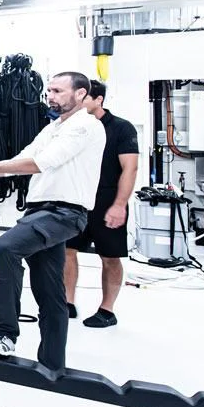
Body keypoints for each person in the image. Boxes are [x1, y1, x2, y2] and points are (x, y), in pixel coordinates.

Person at [0, 71, 106, 371]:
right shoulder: (52, 129)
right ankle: (52, 366)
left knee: (7, 247)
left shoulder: (86, 125)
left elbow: (40, 163)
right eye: (49, 90)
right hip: (40, 212)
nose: (50, 96)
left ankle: (4, 334)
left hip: (64, 213)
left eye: (58, 91)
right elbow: (19, 163)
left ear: (80, 94)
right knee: (51, 294)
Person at [63, 80, 139, 328]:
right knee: (67, 251)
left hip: (107, 199)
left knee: (109, 256)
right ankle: (68, 302)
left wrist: (119, 204)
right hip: (76, 198)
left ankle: (107, 309)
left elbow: (130, 168)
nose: (78, 102)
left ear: (98, 100)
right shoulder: (73, 127)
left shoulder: (121, 128)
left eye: (84, 98)